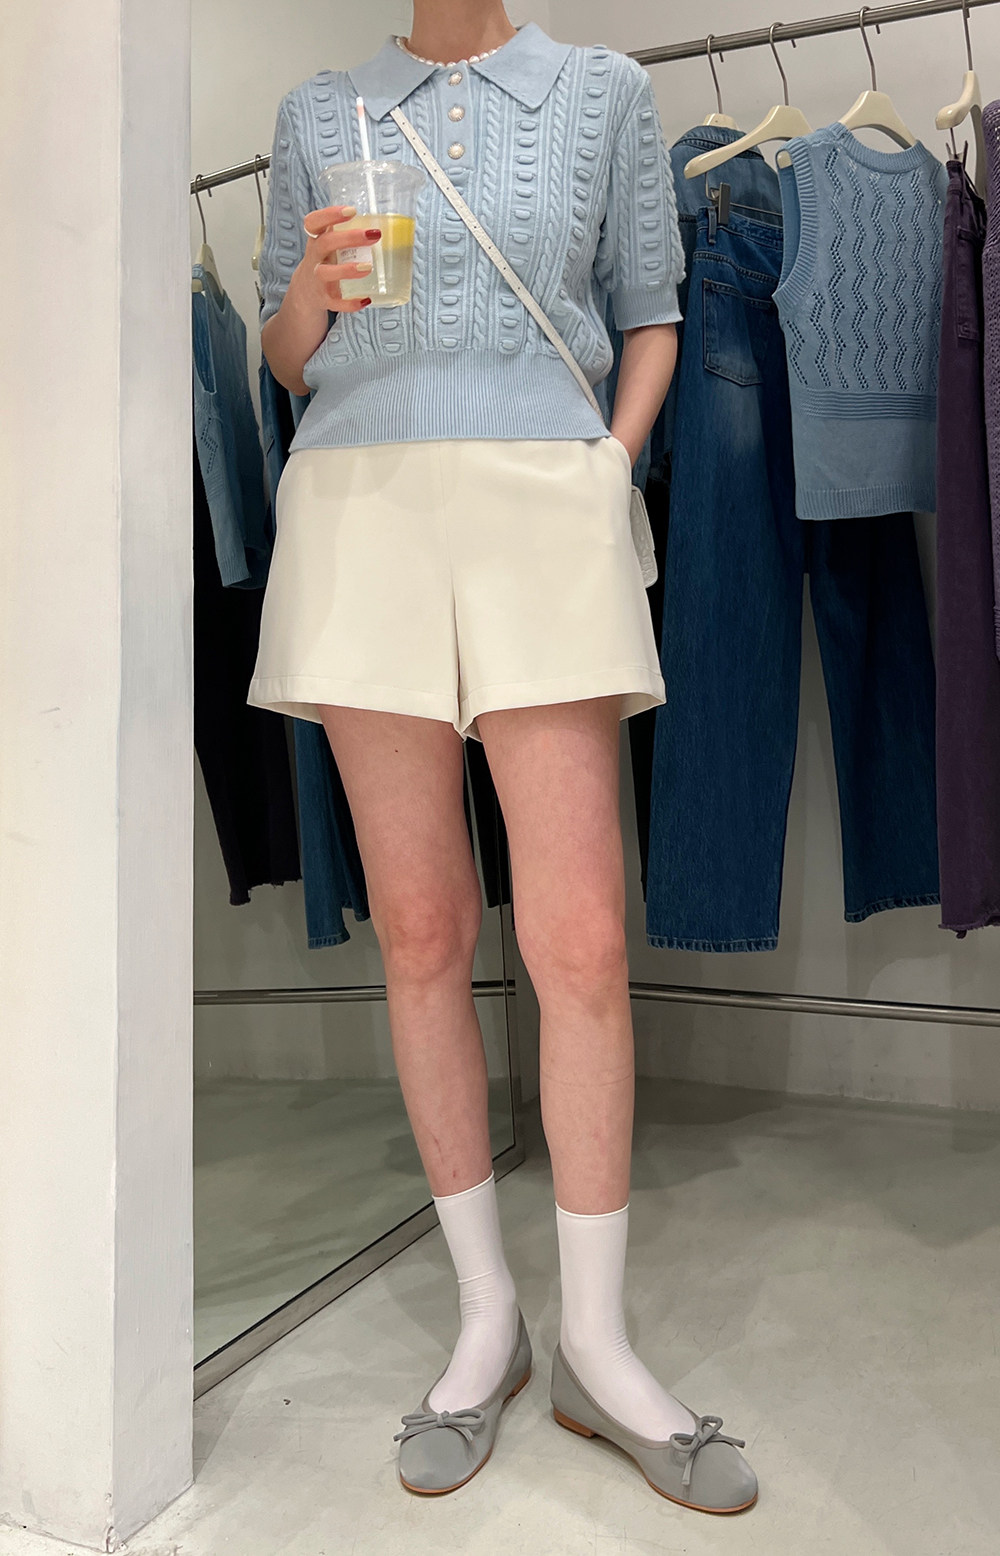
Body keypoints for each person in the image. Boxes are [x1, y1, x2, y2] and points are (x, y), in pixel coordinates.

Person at [251, 0, 757, 1515]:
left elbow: (651, 312)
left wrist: (607, 466)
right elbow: (287, 361)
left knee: (580, 939)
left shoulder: (600, 93)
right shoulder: (320, 109)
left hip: (544, 497)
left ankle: (597, 1343)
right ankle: (490, 1320)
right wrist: (308, 295)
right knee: (420, 928)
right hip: (360, 506)